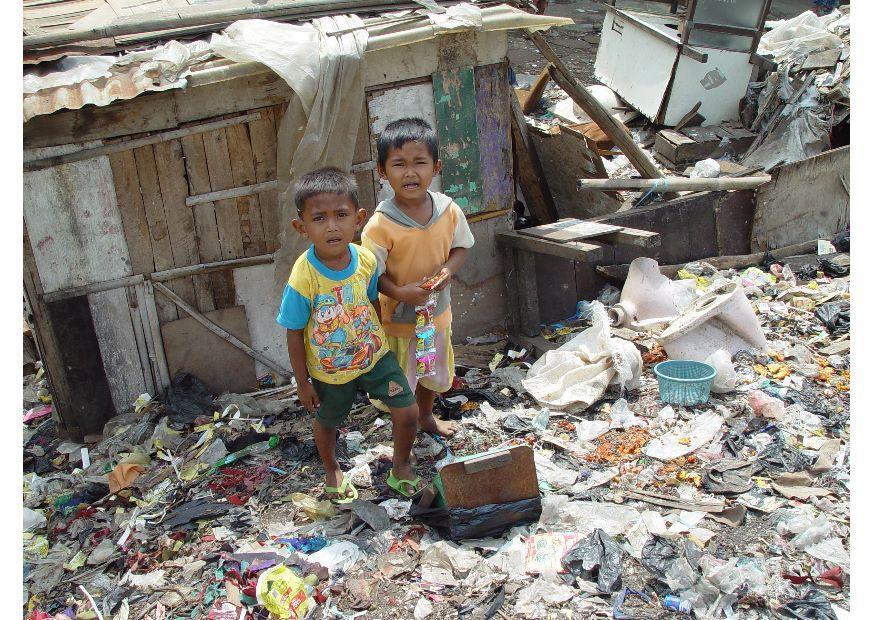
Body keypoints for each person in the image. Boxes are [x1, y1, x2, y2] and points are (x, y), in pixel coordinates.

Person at [277, 167, 424, 500]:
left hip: (375, 358)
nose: (332, 226)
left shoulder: (366, 261)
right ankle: (331, 468)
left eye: (341, 215)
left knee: (408, 412)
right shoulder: (303, 278)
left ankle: (400, 465)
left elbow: (371, 302)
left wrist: (382, 343)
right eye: (319, 218)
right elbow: (294, 332)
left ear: (358, 219)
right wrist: (303, 384)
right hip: (331, 372)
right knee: (329, 422)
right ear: (302, 227)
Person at [362, 118, 475, 438]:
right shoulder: (380, 225)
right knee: (402, 380)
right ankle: (405, 427)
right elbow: (372, 276)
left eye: (419, 163)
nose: (410, 173)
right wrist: (400, 291)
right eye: (399, 164)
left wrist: (447, 271)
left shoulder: (449, 211)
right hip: (398, 321)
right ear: (382, 171)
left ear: (436, 167)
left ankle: (426, 416)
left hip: (436, 316)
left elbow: (461, 248)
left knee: (433, 373)